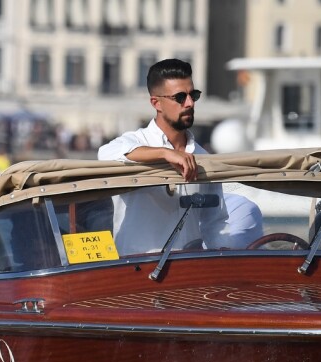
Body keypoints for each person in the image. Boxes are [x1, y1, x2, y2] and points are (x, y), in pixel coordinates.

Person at [98, 58, 262, 254]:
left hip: (186, 273)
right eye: (180, 97)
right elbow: (105, 154)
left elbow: (214, 221)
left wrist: (222, 256)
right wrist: (165, 154)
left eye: (193, 95)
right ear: (156, 103)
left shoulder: (202, 157)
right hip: (134, 270)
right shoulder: (132, 142)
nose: (190, 103)